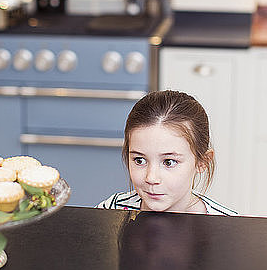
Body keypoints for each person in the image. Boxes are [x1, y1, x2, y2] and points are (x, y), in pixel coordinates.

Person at [96, 90, 237, 215]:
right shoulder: (112, 208)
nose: (151, 178)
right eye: (139, 160)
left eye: (168, 162)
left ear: (202, 162)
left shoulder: (231, 228)